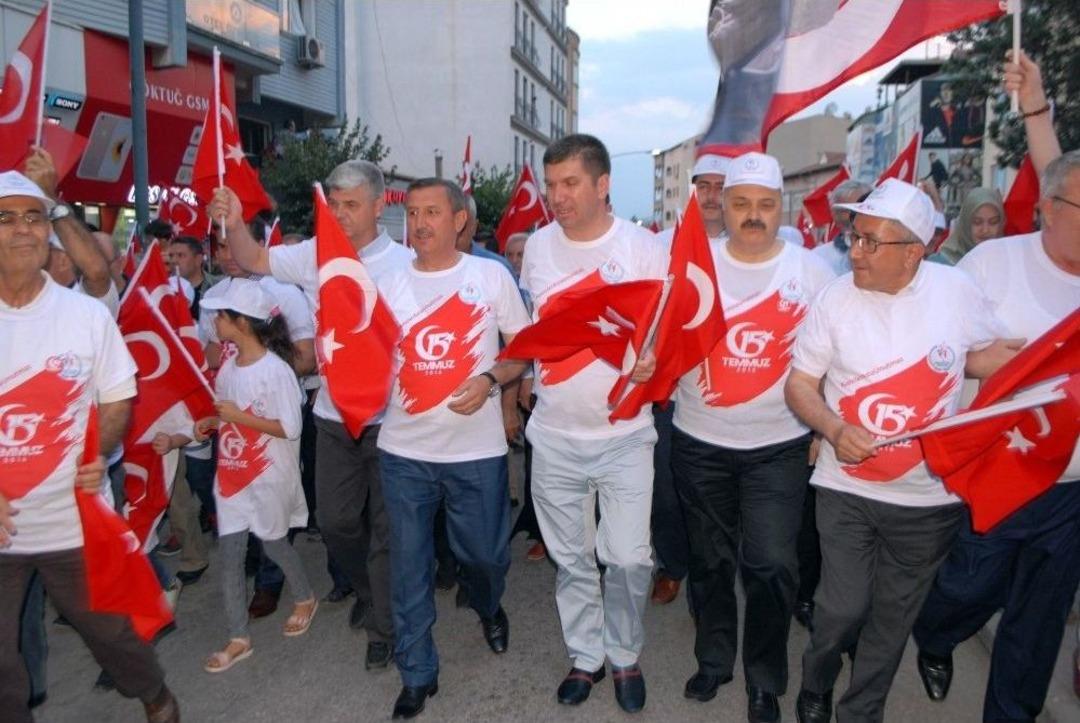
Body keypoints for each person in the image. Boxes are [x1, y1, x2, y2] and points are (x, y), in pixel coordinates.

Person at [785, 178, 1016, 723]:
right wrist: (835, 429)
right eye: (854, 237)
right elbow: (800, 384)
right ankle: (816, 679)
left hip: (928, 501)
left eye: (871, 241)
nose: (855, 251)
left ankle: (860, 712)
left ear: (915, 251)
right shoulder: (834, 299)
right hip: (846, 491)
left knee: (891, 620)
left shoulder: (955, 292)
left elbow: (979, 357)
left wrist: (1042, 362)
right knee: (841, 608)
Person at [208, 159, 412, 671]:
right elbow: (252, 258)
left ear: (378, 204)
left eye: (352, 205)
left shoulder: (405, 263)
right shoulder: (313, 255)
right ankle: (366, 590)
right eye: (335, 204)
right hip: (330, 415)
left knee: (386, 529)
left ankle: (383, 627)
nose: (341, 215)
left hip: (391, 420)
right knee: (337, 522)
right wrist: (232, 219)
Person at [0, 170, 179, 723]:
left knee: (112, 636)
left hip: (74, 523)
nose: (22, 230)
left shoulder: (84, 316)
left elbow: (119, 395)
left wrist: (97, 451)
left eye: (33, 216)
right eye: (6, 218)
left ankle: (157, 697)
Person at [912, 150, 1080, 723]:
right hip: (995, 470)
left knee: (1038, 622)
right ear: (1048, 208)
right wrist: (977, 362)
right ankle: (935, 636)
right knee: (967, 587)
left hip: (1072, 487)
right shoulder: (991, 264)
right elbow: (926, 341)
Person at [671, 152, 835, 721]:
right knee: (710, 559)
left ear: (780, 207)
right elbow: (665, 339)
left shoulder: (812, 272)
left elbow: (835, 356)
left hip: (779, 446)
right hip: (700, 440)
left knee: (770, 564)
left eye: (766, 205)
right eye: (742, 204)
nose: (754, 215)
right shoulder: (695, 264)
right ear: (724, 205)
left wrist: (825, 425)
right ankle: (714, 659)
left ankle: (765, 679)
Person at [515, 134, 667, 714]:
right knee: (572, 557)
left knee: (628, 557)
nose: (557, 196)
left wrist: (650, 357)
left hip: (625, 435)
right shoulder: (538, 250)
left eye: (570, 183)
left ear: (603, 185)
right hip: (554, 435)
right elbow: (543, 328)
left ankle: (625, 650)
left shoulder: (641, 249)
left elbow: (655, 332)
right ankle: (587, 655)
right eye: (551, 184)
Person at [376, 178, 531, 719]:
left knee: (484, 557)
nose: (419, 224)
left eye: (432, 213)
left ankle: (489, 604)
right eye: (412, 213)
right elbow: (366, 358)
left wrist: (491, 381)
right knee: (410, 566)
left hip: (476, 453)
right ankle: (417, 671)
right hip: (404, 453)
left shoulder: (490, 276)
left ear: (459, 220)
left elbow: (524, 349)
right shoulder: (387, 283)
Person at [190, 279, 315, 672]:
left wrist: (237, 417)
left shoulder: (276, 371)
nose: (214, 323)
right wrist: (214, 421)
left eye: (221, 317)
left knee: (275, 544)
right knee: (230, 557)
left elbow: (290, 428)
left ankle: (305, 596)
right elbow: (230, 414)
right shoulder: (229, 367)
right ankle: (238, 636)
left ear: (241, 323)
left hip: (269, 477)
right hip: (232, 477)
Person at [649, 153, 731, 608]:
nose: (713, 196)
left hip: (725, 392)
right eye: (705, 186)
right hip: (669, 392)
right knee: (666, 486)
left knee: (712, 496)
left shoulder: (749, 249)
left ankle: (711, 570)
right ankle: (673, 563)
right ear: (692, 192)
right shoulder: (664, 243)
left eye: (721, 187)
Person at [927, 188, 1004, 266]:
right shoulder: (940, 263)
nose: (985, 230)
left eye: (993, 222)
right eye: (977, 222)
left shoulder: (1008, 261)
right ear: (965, 223)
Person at [810, 179, 872, 276]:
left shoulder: (890, 251)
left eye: (862, 207)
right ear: (834, 214)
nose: (857, 215)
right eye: (849, 209)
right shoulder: (817, 258)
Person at [167, 236, 217, 315]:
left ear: (198, 260)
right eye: (171, 256)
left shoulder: (217, 287)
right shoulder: (164, 289)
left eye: (180, 255)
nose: (174, 261)